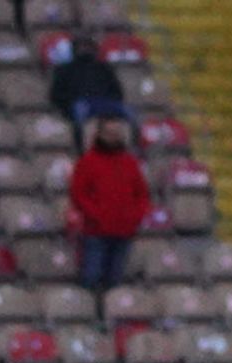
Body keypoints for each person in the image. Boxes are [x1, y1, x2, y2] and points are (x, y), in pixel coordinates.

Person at [69, 114, 149, 308]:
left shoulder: (130, 162)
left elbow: (142, 194)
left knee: (115, 281)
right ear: (100, 134)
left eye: (116, 133)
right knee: (91, 277)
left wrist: (135, 216)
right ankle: (87, 315)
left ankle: (110, 317)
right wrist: (95, 215)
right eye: (109, 133)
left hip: (124, 231)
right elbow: (78, 194)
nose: (112, 137)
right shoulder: (88, 161)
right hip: (95, 231)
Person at [48, 33, 125, 150]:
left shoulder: (103, 68)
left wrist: (112, 101)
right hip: (81, 103)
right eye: (81, 46)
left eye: (88, 46)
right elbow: (56, 94)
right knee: (80, 116)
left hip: (105, 102)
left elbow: (117, 90)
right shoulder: (64, 70)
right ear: (74, 49)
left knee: (131, 116)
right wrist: (68, 107)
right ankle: (82, 150)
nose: (85, 49)